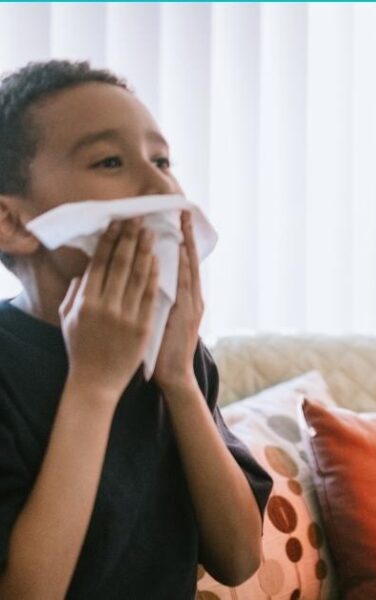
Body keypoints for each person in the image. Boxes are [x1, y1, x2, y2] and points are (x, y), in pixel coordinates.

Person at [0, 60, 272, 598]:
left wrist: (179, 380)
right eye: (109, 161)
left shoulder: (176, 354)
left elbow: (238, 559)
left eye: (162, 160)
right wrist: (94, 386)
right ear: (13, 224)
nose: (158, 185)